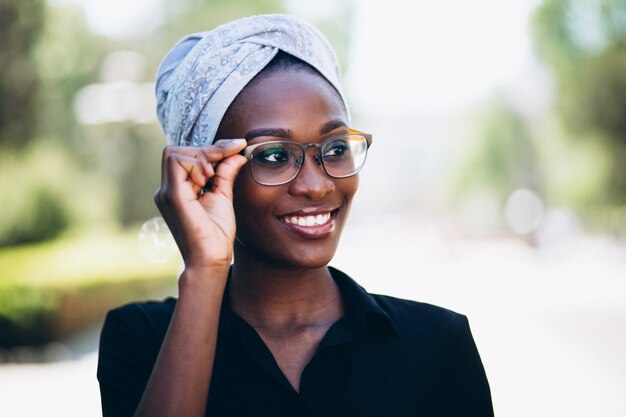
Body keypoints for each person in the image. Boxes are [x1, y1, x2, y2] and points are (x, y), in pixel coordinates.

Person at [97, 14, 494, 417]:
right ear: (207, 174)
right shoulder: (141, 339)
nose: (316, 185)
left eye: (336, 148)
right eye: (273, 155)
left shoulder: (439, 343)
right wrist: (205, 269)